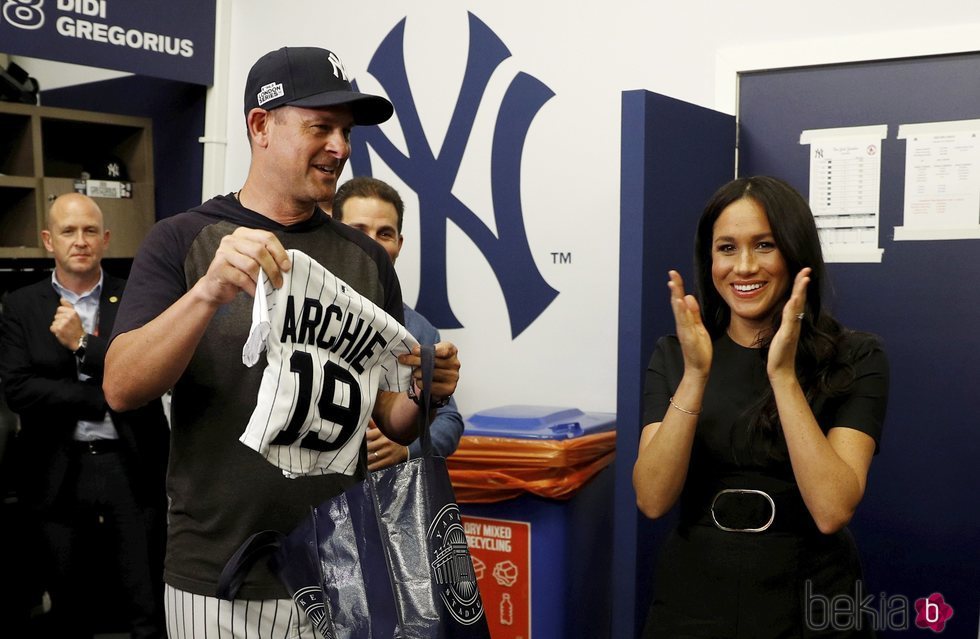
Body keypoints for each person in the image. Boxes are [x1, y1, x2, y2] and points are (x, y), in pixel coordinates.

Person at [102, 46, 461, 638]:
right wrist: (208, 293)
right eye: (321, 127)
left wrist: (425, 392)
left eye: (345, 132)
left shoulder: (365, 259)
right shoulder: (183, 240)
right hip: (219, 574)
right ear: (260, 126)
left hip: (340, 565)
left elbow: (388, 417)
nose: (341, 148)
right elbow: (120, 387)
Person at [633, 176, 889, 638]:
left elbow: (832, 508)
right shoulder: (677, 356)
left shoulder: (856, 357)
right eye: (726, 248)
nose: (744, 266)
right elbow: (651, 498)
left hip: (810, 595)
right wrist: (694, 377)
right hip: (694, 594)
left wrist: (783, 377)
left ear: (794, 252)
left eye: (764, 245)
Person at [0, 193, 169, 638]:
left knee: (146, 600)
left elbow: (150, 375)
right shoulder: (21, 305)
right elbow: (19, 389)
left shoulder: (138, 296)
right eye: (68, 231)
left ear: (106, 238)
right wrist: (106, 395)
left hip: (129, 463)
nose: (80, 241)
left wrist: (81, 345)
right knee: (68, 604)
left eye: (90, 230)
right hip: (55, 468)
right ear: (47, 240)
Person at [333, 176, 464, 470]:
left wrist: (406, 449)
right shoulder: (302, 308)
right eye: (359, 230)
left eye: (385, 233)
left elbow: (450, 420)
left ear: (399, 244)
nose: (372, 243)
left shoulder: (417, 329)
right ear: (333, 233)